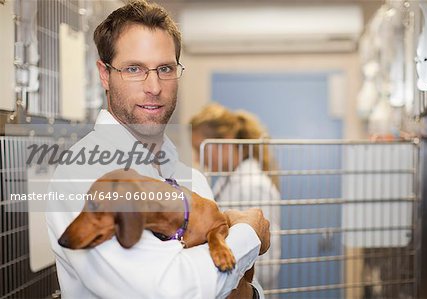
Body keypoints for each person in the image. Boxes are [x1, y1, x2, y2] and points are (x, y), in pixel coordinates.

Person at [45, 1, 270, 298]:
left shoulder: (192, 179)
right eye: (134, 69)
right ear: (104, 74)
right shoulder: (85, 175)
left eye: (165, 68)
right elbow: (169, 291)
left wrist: (249, 293)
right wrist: (248, 234)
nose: (154, 86)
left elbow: (228, 286)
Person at [190, 103, 281, 293]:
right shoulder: (224, 182)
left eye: (200, 149)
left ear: (226, 140)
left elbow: (268, 265)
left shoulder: (254, 185)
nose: (198, 159)